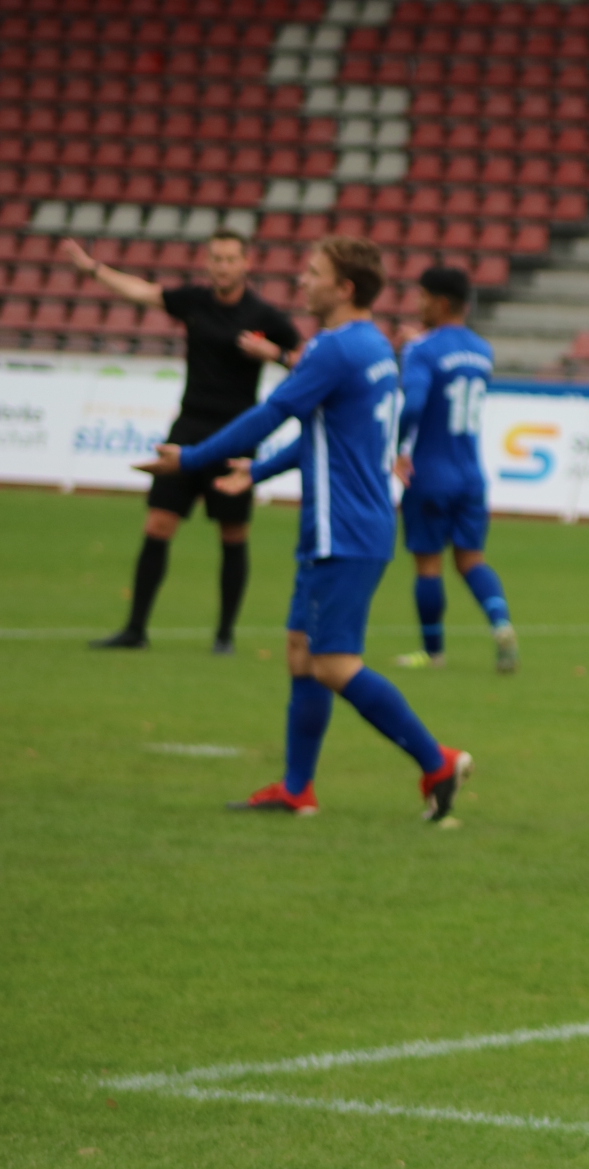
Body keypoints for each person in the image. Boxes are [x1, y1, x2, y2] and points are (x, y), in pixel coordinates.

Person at [136, 236, 472, 822]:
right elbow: (325, 436)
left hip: (342, 529)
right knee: (300, 653)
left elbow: (270, 415)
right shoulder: (372, 346)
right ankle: (297, 789)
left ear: (343, 288)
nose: (301, 280)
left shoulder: (333, 349)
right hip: (345, 524)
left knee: (333, 663)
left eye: (312, 272)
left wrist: (188, 459)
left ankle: (436, 760)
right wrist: (258, 471)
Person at [61, 229, 301, 653]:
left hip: (236, 435)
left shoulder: (265, 317)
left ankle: (224, 635)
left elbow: (307, 359)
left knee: (232, 533)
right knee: (157, 523)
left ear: (247, 264)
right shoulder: (194, 301)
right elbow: (143, 292)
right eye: (215, 258)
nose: (221, 266)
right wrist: (92, 269)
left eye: (229, 259)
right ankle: (135, 629)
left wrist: (276, 356)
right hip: (188, 426)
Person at [387, 265, 517, 674]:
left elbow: (413, 403)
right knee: (471, 560)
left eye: (423, 297)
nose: (418, 304)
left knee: (428, 563)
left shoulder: (420, 350)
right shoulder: (482, 350)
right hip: (470, 474)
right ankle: (500, 623)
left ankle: (433, 652)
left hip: (429, 471)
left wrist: (398, 448)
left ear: (441, 302)